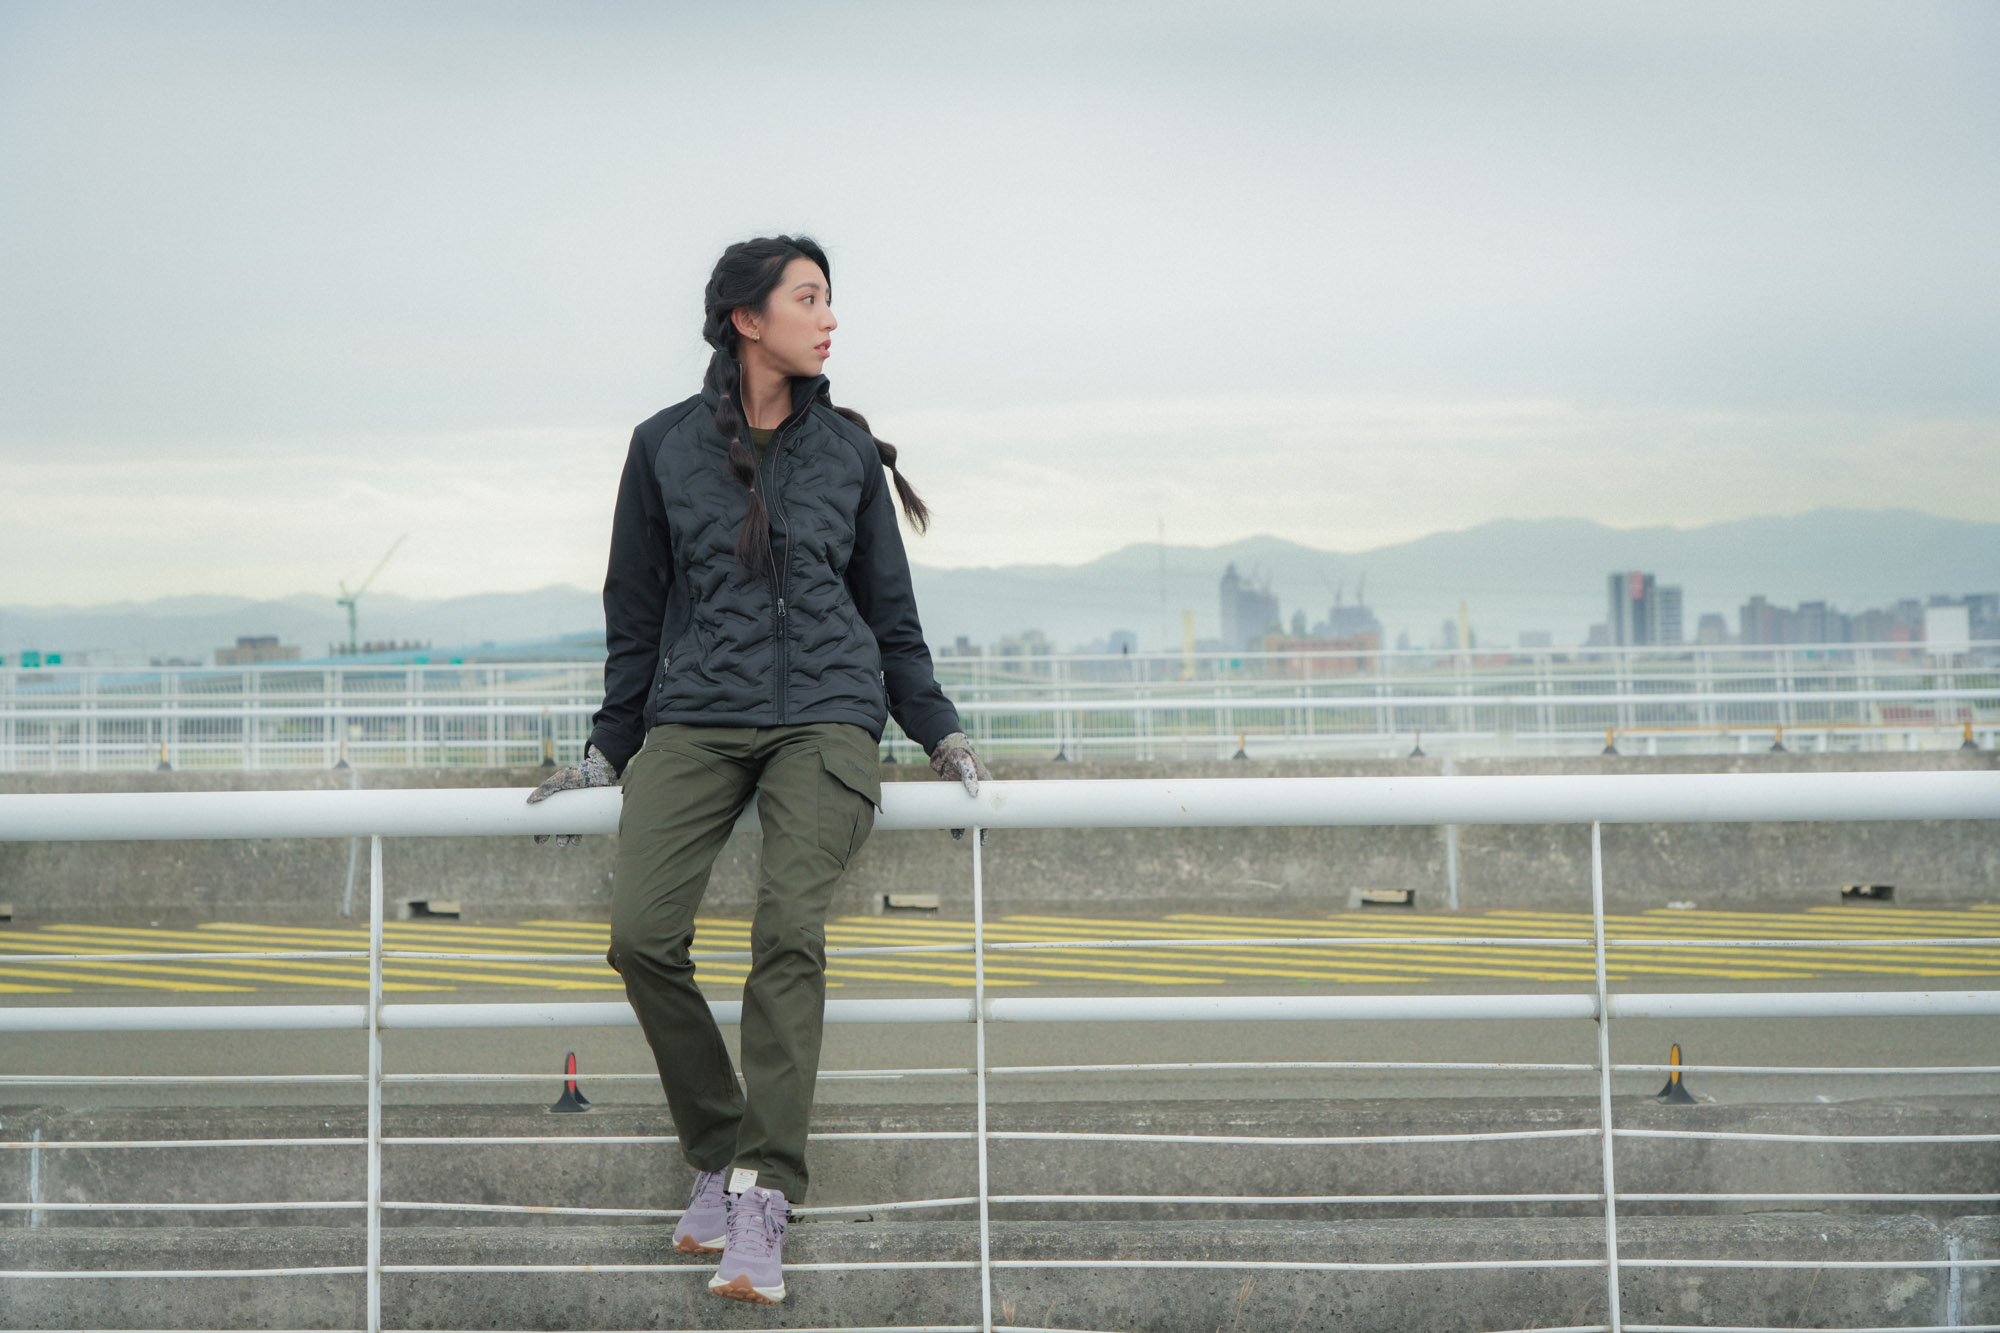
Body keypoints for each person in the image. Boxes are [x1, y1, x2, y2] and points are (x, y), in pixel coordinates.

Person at [524, 234, 990, 1306]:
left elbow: (891, 620)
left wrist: (939, 731)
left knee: (787, 931)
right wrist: (609, 745)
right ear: (747, 318)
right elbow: (636, 610)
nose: (829, 320)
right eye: (808, 299)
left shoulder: (848, 453)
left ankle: (765, 1193)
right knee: (641, 936)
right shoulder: (661, 446)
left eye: (828, 300)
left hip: (826, 718)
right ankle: (722, 1149)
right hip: (694, 719)